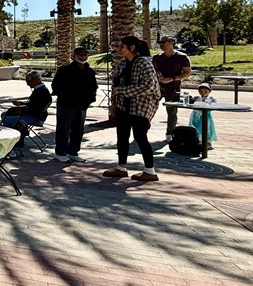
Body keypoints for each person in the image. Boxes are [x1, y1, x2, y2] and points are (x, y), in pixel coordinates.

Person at [103, 35, 162, 182]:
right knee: (122, 136)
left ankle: (150, 171)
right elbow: (116, 85)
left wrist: (124, 91)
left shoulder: (144, 62)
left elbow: (149, 85)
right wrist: (114, 103)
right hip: (123, 106)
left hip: (141, 106)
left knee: (140, 136)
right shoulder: (123, 63)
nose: (119, 49)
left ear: (132, 48)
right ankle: (121, 167)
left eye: (122, 46)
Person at [51, 47, 98, 162]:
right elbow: (56, 85)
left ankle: (73, 151)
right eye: (80, 55)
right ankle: (60, 153)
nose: (83, 57)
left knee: (78, 129)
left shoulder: (90, 71)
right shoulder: (64, 70)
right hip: (66, 104)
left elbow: (94, 87)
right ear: (74, 56)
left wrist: (90, 100)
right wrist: (64, 95)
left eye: (85, 55)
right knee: (64, 128)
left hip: (82, 105)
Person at [152, 35, 192, 142]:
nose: (161, 45)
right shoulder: (156, 58)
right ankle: (142, 130)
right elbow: (152, 71)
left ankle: (170, 133)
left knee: (172, 111)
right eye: (160, 43)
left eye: (163, 42)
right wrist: (158, 76)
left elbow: (187, 72)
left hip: (174, 87)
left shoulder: (182, 57)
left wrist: (171, 79)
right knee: (149, 107)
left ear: (171, 43)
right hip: (157, 87)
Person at [0, 71, 52, 147]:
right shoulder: (39, 89)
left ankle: (15, 139)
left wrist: (23, 108)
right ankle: (20, 136)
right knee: (5, 114)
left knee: (6, 119)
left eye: (29, 81)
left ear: (36, 80)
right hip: (32, 114)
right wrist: (21, 104)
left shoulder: (42, 91)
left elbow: (37, 107)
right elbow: (32, 104)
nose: (27, 83)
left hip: (35, 117)